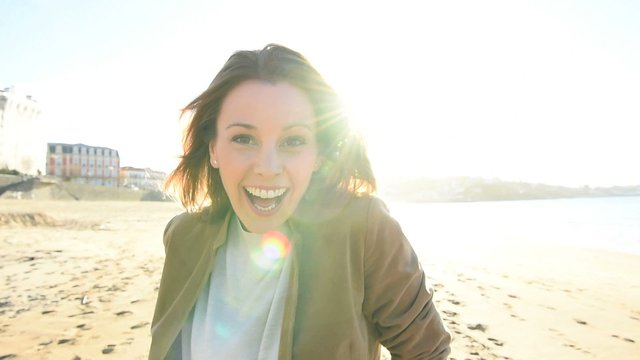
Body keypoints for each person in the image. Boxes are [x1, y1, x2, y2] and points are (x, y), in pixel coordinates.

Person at [149, 44, 451, 360]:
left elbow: (427, 352)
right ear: (213, 149)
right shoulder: (183, 235)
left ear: (318, 154)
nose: (268, 167)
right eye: (243, 139)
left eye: (293, 141)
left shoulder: (363, 230)